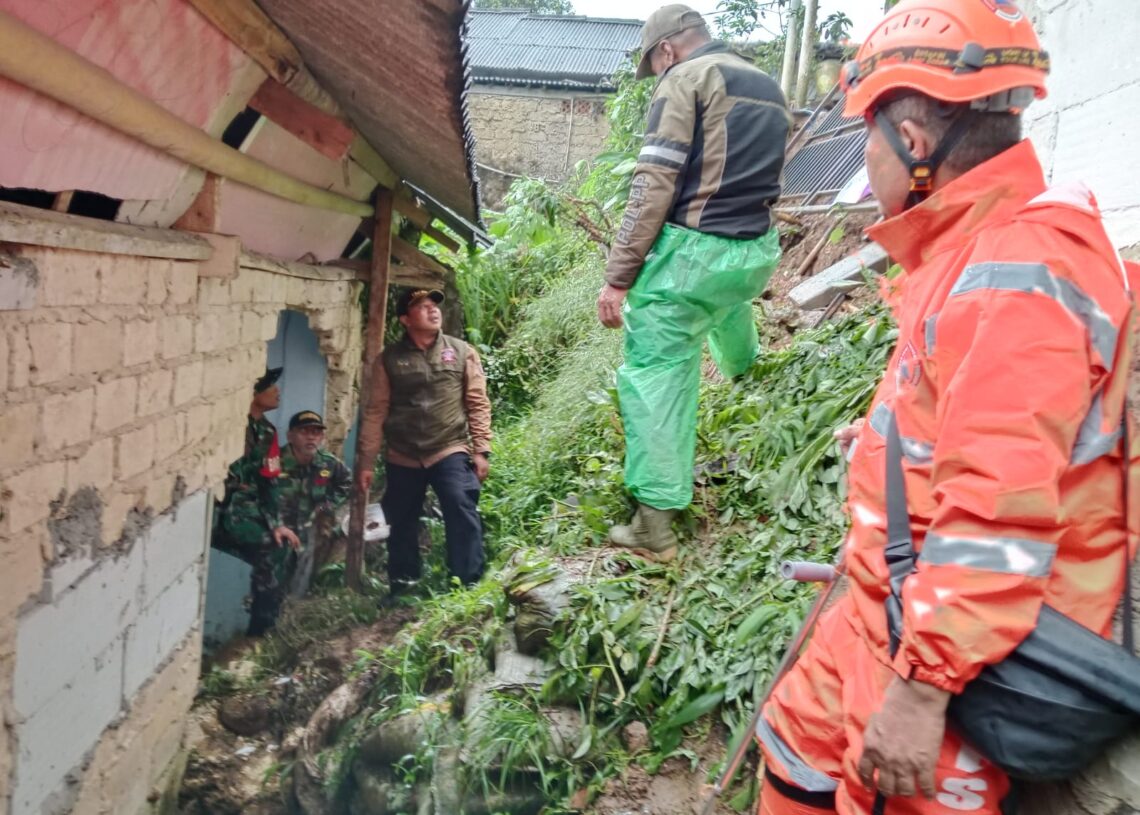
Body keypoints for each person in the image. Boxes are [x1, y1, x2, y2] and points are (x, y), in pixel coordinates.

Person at [755, 1, 1137, 813]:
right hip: (882, 609)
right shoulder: (969, 251)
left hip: (958, 653)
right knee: (793, 752)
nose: (866, 162)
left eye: (867, 137)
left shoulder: (1020, 269)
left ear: (915, 140)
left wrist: (923, 691)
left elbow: (998, 510)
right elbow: (971, 420)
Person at [596, 3, 789, 561]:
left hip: (694, 256)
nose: (657, 75)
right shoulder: (767, 84)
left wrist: (619, 277)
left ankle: (654, 526)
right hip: (755, 250)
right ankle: (751, 377)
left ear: (666, 49)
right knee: (726, 303)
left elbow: (654, 182)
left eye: (654, 65)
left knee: (656, 370)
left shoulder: (684, 79)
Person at [357, 288, 492, 592]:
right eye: (423, 307)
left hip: (449, 448)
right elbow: (376, 410)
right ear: (405, 319)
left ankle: (467, 582)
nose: (433, 311)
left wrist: (482, 449)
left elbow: (477, 402)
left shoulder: (461, 351)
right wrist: (366, 462)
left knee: (460, 505)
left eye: (434, 305)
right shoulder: (389, 360)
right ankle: (403, 585)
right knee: (401, 520)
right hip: (403, 455)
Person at [211, 367, 302, 636]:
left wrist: (277, 524)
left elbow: (270, 480)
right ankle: (261, 628)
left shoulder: (267, 432)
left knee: (282, 544)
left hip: (245, 508)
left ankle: (262, 627)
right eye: (270, 386)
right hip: (220, 509)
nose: (277, 391)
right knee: (270, 548)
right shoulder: (228, 424)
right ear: (253, 393)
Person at [279, 410, 353, 600]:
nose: (311, 437)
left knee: (305, 570)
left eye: (316, 432)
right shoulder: (275, 462)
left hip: (312, 527)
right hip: (280, 528)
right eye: (304, 431)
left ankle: (292, 611)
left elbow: (348, 484)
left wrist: (328, 505)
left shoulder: (328, 464)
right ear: (290, 436)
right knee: (274, 574)